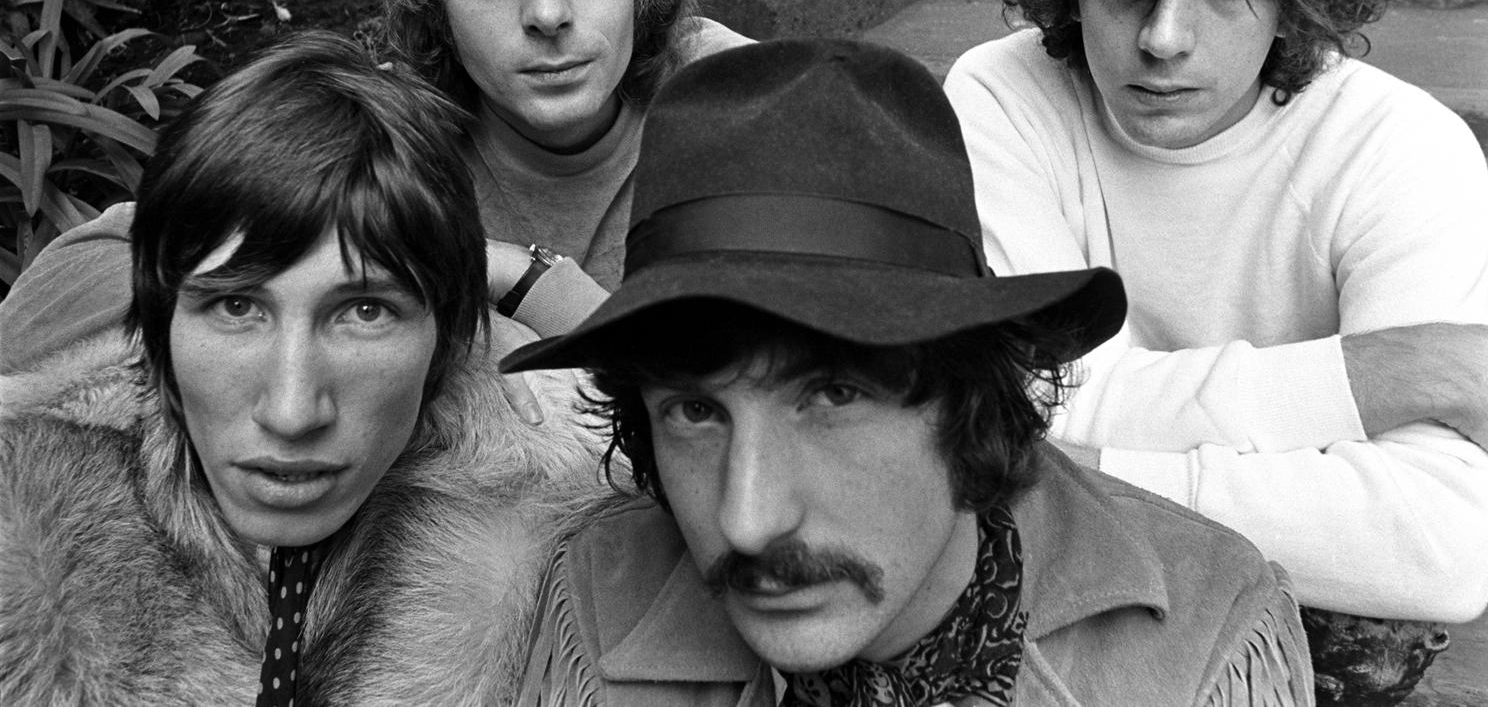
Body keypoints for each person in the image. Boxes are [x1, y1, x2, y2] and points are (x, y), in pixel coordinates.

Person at [502, 37, 1316, 706]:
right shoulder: (600, 599)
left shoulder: (1202, 641)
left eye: (832, 395)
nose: (747, 521)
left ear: (972, 406)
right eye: (694, 412)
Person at [939, 0, 1488, 701]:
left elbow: (1439, 547)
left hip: (1296, 624)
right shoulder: (1002, 96)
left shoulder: (1399, 148)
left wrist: (1078, 471)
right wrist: (1380, 374)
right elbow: (1038, 401)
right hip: (1064, 603)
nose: (1162, 37)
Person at [0, 0, 747, 375]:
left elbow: (746, 400)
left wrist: (528, 285)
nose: (547, 13)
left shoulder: (743, 104)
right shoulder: (390, 138)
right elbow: (84, 277)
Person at [0, 33, 601, 706]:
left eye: (366, 312)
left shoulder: (558, 553)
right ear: (159, 332)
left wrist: (529, 283)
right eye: (235, 306)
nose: (291, 413)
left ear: (449, 342)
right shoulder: (27, 529)